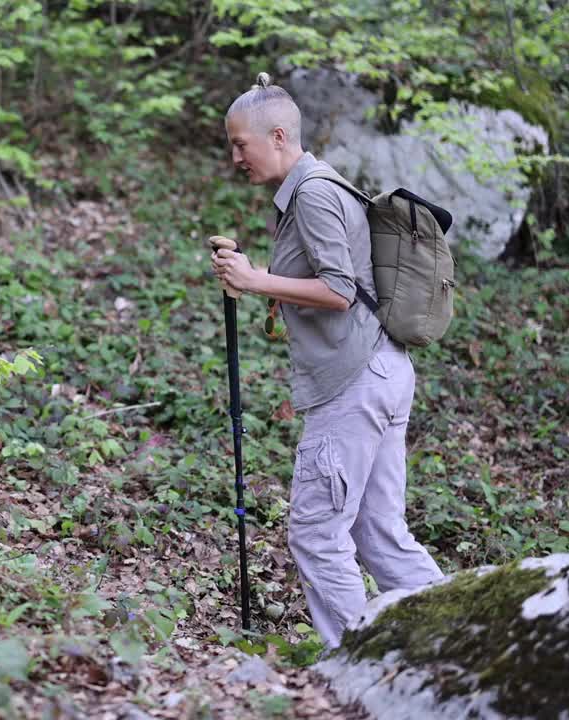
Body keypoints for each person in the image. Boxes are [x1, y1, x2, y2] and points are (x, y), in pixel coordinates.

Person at [210, 72, 443, 650]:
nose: (234, 155)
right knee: (380, 536)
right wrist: (260, 280)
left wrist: (256, 280)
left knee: (317, 532)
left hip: (355, 383)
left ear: (280, 135)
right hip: (381, 371)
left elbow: (338, 289)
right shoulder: (316, 187)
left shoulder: (312, 192)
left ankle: (356, 665)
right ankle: (466, 638)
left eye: (241, 143)